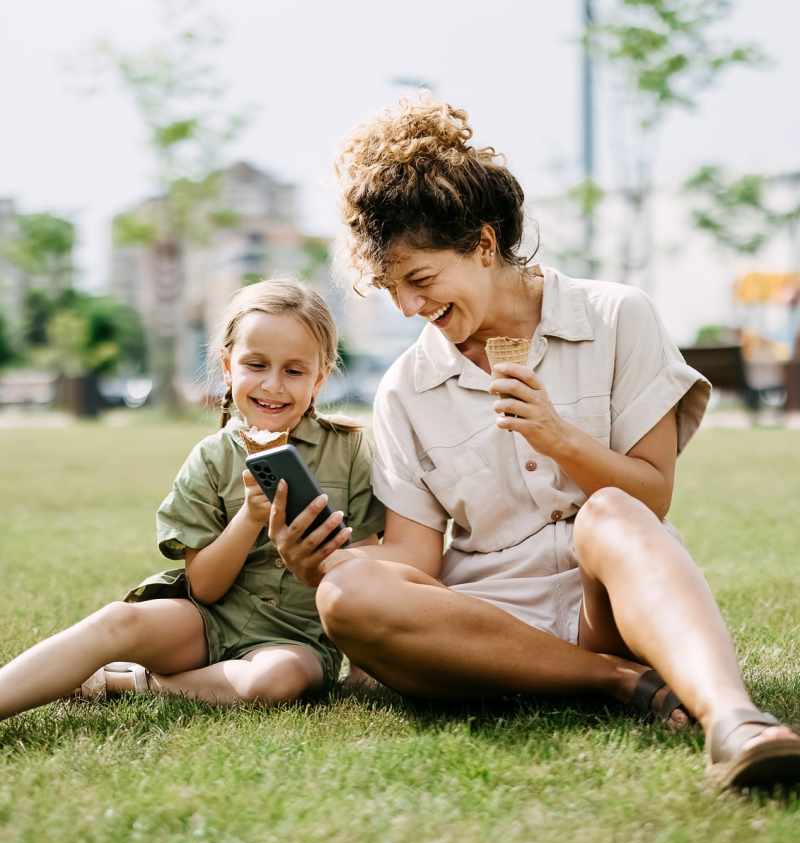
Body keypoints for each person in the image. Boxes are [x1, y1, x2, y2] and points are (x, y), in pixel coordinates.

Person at [277, 99, 800, 791]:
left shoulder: (616, 317)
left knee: (609, 511)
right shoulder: (406, 387)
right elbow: (415, 561)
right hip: (490, 633)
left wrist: (559, 438)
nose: (408, 308)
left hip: (610, 605)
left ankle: (736, 722)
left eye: (420, 279)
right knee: (346, 593)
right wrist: (324, 566)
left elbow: (651, 495)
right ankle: (616, 683)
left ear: (485, 245)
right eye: (390, 289)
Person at [0, 278, 384, 718]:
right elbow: (204, 587)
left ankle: (134, 682)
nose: (273, 386)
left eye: (294, 371)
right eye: (256, 365)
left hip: (295, 642)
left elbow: (367, 575)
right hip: (209, 623)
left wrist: (365, 666)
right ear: (227, 367)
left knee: (273, 681)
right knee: (116, 621)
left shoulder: (350, 451)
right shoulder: (212, 457)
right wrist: (250, 518)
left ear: (319, 378)